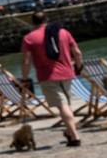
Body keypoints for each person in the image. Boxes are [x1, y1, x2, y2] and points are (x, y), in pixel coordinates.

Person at [20, 11, 84, 147]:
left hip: (47, 76)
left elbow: (26, 62)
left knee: (62, 106)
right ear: (46, 20)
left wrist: (25, 78)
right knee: (67, 104)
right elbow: (77, 53)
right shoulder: (63, 32)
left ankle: (74, 137)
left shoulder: (29, 38)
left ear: (33, 22)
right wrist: (79, 67)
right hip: (67, 73)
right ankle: (69, 131)